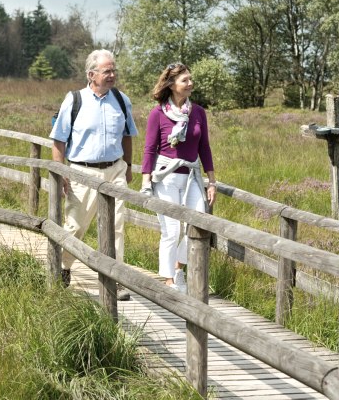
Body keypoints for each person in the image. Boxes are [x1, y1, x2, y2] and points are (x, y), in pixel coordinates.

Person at [49, 49, 138, 301]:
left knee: (116, 226)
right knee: (76, 225)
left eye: (113, 70)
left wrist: (128, 166)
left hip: (115, 170)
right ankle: (64, 268)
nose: (112, 75)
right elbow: (58, 140)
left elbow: (128, 135)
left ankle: (114, 278)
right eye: (107, 71)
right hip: (82, 172)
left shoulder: (121, 100)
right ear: (91, 74)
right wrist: (61, 171)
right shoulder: (75, 100)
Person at [140, 63, 216, 294]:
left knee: (199, 221)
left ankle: (178, 267)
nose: (190, 83)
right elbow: (149, 149)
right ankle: (168, 280)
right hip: (166, 177)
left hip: (191, 175)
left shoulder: (198, 113)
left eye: (190, 79)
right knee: (171, 230)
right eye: (185, 80)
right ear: (172, 85)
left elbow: (205, 148)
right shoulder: (158, 113)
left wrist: (211, 182)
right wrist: (145, 181)